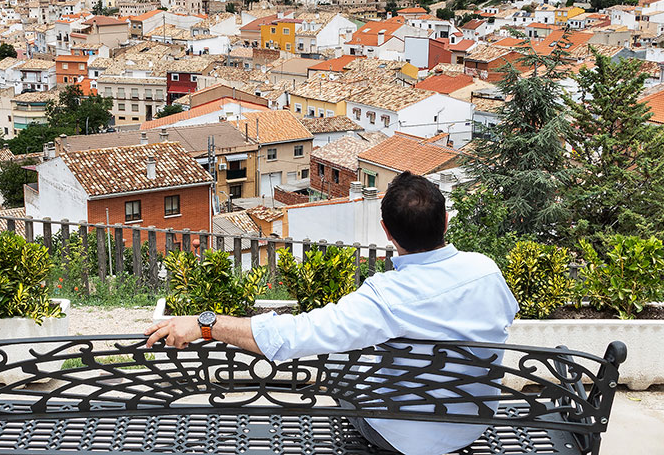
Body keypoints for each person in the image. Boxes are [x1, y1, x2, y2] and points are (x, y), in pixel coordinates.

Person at [145, 171, 519, 455]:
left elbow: (293, 337)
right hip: (473, 423)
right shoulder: (487, 271)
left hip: (404, 438)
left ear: (386, 231)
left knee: (343, 363)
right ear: (446, 221)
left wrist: (206, 324)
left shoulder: (386, 296)